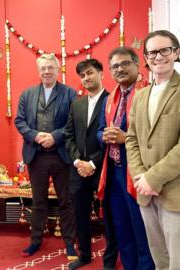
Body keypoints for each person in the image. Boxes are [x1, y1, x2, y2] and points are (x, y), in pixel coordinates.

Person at [126, 30, 180, 270]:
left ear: (175, 53)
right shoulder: (140, 96)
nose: (158, 56)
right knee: (160, 261)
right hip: (146, 193)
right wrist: (141, 176)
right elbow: (131, 140)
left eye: (165, 50)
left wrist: (153, 177)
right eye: (152, 52)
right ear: (145, 58)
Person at [97, 47, 154, 270]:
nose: (120, 69)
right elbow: (100, 130)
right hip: (113, 170)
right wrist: (105, 135)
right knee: (122, 230)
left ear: (137, 65)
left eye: (125, 64)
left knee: (142, 231)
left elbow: (155, 135)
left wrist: (125, 137)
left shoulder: (148, 93)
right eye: (115, 66)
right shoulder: (110, 98)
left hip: (137, 171)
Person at [14, 54, 77, 259]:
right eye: (43, 68)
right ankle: (35, 241)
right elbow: (20, 121)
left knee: (66, 202)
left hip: (61, 155)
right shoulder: (27, 94)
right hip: (36, 155)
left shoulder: (70, 93)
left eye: (51, 67)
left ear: (58, 70)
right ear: (38, 71)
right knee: (38, 202)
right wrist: (35, 136)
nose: (47, 71)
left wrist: (55, 136)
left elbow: (73, 121)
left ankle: (69, 243)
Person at [64, 58, 109, 269]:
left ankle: (110, 258)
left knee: (109, 215)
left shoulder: (112, 101)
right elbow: (69, 135)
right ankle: (84, 255)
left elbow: (111, 140)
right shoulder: (77, 104)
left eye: (90, 73)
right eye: (82, 76)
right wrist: (77, 161)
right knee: (79, 214)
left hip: (103, 168)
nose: (86, 78)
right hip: (78, 169)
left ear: (101, 73)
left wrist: (92, 163)